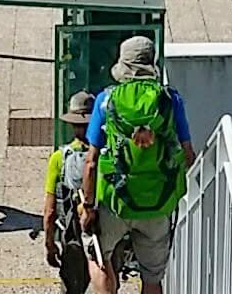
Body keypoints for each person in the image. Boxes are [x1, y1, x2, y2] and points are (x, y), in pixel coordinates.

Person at [80, 36, 194, 294]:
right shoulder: (170, 100)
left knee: (99, 257)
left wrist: (88, 206)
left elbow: (91, 162)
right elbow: (188, 154)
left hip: (115, 200)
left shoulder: (106, 100)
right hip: (159, 200)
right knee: (152, 279)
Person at [43, 92, 96, 294]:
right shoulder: (106, 155)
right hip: (102, 235)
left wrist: (49, 244)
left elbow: (49, 211)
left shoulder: (59, 158)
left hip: (72, 236)